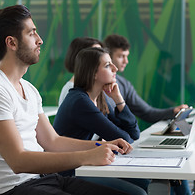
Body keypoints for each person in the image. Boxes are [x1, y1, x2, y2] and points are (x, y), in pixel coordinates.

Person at [0, 5, 132, 195]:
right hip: (15, 189)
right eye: (32, 34)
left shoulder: (28, 89)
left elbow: (52, 141)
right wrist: (88, 156)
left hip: (44, 179)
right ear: (11, 43)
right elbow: (18, 161)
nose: (40, 40)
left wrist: (103, 145)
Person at [104, 34, 191, 195]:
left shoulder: (123, 84)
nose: (125, 61)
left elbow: (146, 112)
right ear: (107, 57)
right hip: (116, 149)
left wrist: (172, 111)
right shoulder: (98, 89)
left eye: (127, 56)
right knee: (166, 176)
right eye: (121, 56)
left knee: (177, 172)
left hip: (126, 145)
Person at [54, 47, 149, 195]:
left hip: (87, 164)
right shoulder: (80, 101)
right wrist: (122, 139)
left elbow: (134, 134)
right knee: (138, 193)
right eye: (107, 65)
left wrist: (118, 100)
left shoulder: (99, 98)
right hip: (70, 170)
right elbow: (124, 140)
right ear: (93, 73)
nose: (115, 68)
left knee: (146, 181)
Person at [58, 37, 103, 106]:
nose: (102, 59)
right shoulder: (71, 90)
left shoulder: (92, 87)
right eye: (95, 55)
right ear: (80, 58)